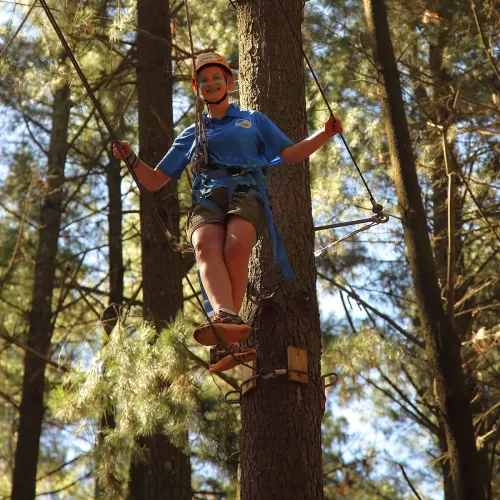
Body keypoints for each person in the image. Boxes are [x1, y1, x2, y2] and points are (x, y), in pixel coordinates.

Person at [113, 52, 343, 372]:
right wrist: (131, 159)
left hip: (246, 190)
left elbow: (290, 153)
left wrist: (326, 133)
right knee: (205, 243)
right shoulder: (192, 133)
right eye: (203, 80)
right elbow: (154, 180)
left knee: (236, 246)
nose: (210, 83)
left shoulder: (252, 120)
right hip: (208, 194)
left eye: (217, 78)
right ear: (196, 87)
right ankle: (227, 326)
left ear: (229, 83)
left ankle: (227, 336)